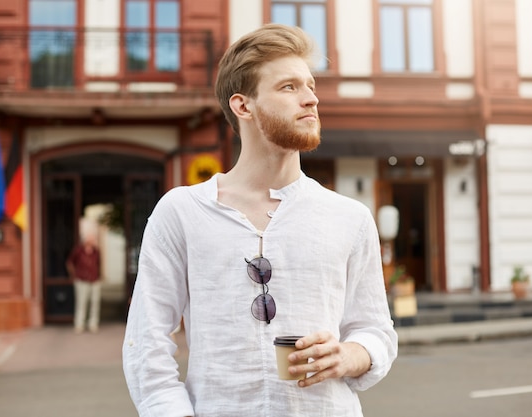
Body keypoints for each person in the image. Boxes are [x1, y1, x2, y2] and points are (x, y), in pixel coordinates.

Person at [123, 23, 398, 416]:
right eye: (289, 87)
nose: (310, 100)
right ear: (243, 106)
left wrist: (348, 355)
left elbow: (376, 331)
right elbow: (146, 341)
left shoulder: (349, 217)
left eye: (311, 86)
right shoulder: (181, 212)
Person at [66, 220, 102, 334]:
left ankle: (93, 323)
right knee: (81, 302)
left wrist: (99, 275)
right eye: (89, 237)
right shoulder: (78, 251)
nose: (91, 239)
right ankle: (79, 324)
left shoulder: (96, 251)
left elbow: (99, 264)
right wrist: (73, 274)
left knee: (95, 302)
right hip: (81, 280)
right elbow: (70, 262)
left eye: (93, 237)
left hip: (94, 279)